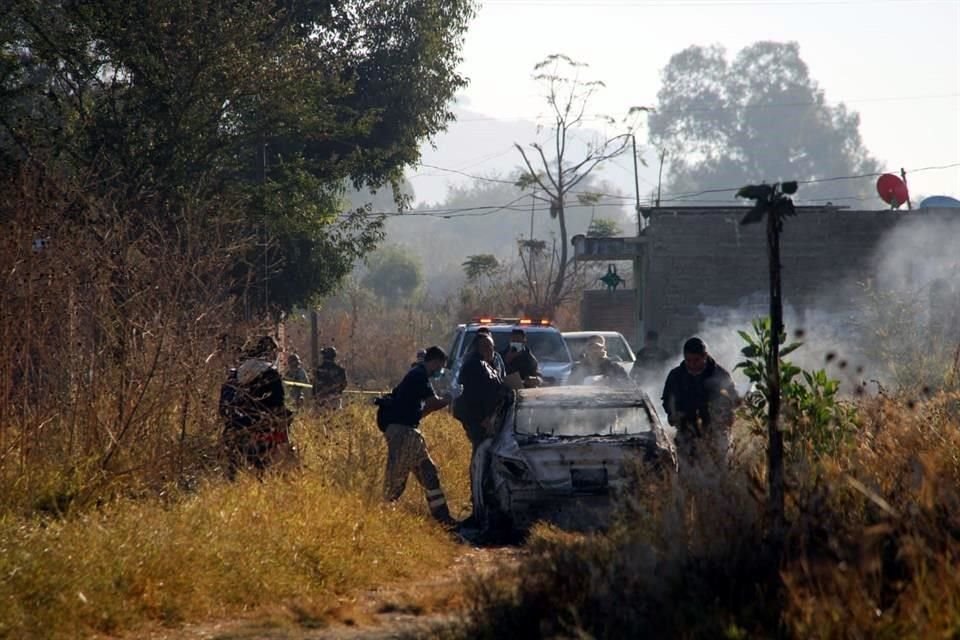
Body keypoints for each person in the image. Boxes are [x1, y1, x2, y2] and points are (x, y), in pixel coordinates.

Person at [382, 346, 456, 526]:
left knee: (428, 471)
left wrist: (444, 399)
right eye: (441, 366)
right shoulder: (419, 376)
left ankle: (442, 517)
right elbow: (432, 402)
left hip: (407, 430)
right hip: (402, 431)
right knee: (397, 478)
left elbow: (423, 410)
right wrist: (449, 398)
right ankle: (385, 516)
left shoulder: (418, 375)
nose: (440, 371)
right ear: (435, 361)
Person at [454, 333, 509, 527]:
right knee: (480, 463)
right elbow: (479, 395)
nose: (490, 351)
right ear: (477, 348)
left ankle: (483, 504)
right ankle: (480, 507)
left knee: (484, 464)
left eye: (491, 347)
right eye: (485, 347)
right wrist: (484, 418)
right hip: (480, 423)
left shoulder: (486, 366)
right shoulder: (475, 366)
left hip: (486, 423)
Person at [219, 335, 293, 480]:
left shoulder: (237, 372)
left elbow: (224, 405)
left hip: (237, 422)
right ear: (270, 352)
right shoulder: (271, 373)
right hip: (263, 423)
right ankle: (284, 471)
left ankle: (232, 474)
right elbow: (278, 400)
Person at [661, 337, 737, 466]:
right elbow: (667, 399)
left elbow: (733, 399)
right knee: (687, 470)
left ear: (705, 356)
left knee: (716, 469)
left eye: (696, 360)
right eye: (688, 360)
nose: (692, 364)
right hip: (686, 432)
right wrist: (672, 414)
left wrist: (724, 417)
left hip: (714, 433)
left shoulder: (720, 375)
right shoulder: (676, 375)